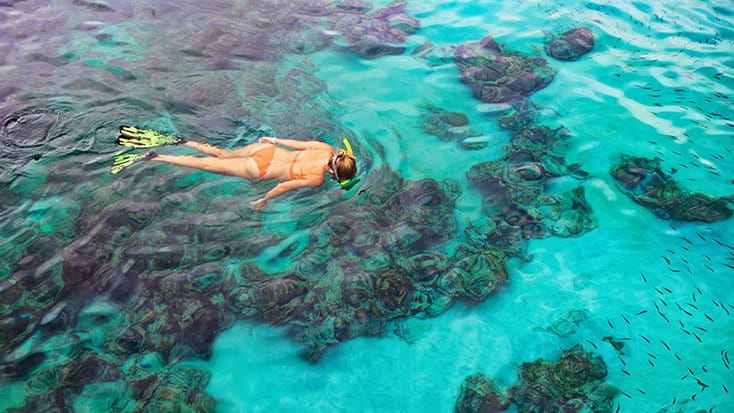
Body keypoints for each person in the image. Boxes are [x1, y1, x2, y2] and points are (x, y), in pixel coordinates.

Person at [112, 127, 357, 212]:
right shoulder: (316, 179)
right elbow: (284, 185)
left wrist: (272, 140)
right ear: (334, 174)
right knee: (205, 165)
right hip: (259, 168)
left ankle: (183, 142)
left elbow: (297, 144)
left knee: (219, 153)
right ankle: (155, 157)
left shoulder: (325, 148)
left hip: (264, 151)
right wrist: (262, 200)